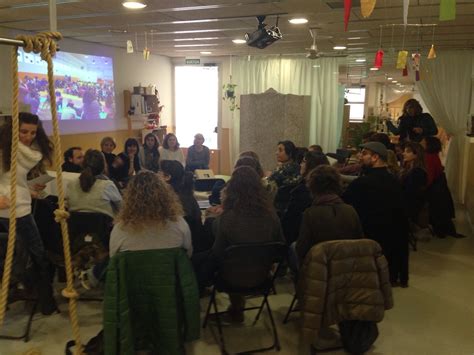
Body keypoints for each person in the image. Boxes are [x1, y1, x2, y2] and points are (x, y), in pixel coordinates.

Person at [209, 166, 284, 322]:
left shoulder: (227, 218)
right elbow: (280, 247)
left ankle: (235, 309)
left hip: (230, 279)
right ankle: (236, 309)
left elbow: (217, 254)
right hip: (263, 278)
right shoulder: (272, 216)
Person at [0, 112, 57, 315]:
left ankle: (41, 299)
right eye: (24, 131)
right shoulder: (3, 150)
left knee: (32, 255)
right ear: (13, 130)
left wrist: (31, 190)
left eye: (33, 132)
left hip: (21, 206)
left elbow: (12, 180)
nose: (28, 136)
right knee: (32, 256)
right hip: (10, 212)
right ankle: (43, 300)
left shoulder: (24, 153)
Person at [343, 141, 410, 288]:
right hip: (389, 246)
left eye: (365, 153)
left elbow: (345, 205)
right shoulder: (394, 182)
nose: (360, 156)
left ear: (375, 157)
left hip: (366, 241)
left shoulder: (362, 183)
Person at [109, 171, 192, 258]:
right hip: (171, 271)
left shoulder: (120, 229)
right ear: (165, 195)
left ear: (129, 198)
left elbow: (113, 259)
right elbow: (187, 255)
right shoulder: (179, 225)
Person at [295, 166, 363, 265]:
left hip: (320, 266)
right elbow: (359, 241)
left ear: (312, 187)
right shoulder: (350, 210)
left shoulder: (310, 213)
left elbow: (302, 248)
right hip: (348, 264)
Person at [281, 151, 330, 245]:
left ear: (311, 166)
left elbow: (289, 224)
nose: (300, 164)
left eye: (303, 161)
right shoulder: (333, 190)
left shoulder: (301, 192)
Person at [160, 160, 206, 251]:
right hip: (194, 244)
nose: (158, 175)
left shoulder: (169, 198)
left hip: (182, 247)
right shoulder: (186, 193)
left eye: (159, 172)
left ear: (167, 177)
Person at [67, 149, 122, 218]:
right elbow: (122, 208)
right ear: (103, 166)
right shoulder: (108, 185)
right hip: (104, 227)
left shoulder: (71, 184)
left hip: (75, 227)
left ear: (83, 164)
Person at [268, 140, 301, 215]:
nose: (276, 153)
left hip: (281, 208)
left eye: (280, 150)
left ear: (290, 153)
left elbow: (269, 185)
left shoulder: (287, 169)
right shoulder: (293, 166)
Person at [399, 142, 428, 224]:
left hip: (411, 207)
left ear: (416, 155)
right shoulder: (408, 168)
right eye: (404, 151)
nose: (403, 153)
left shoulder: (418, 172)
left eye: (408, 151)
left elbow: (411, 193)